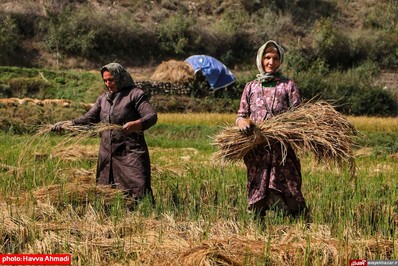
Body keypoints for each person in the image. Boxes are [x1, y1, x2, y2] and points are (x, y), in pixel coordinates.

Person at [53, 63, 158, 203]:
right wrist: (68, 124)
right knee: (107, 195)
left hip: (130, 153)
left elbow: (151, 116)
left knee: (138, 192)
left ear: (120, 77)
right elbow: (89, 118)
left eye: (111, 80)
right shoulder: (103, 99)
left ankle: (143, 216)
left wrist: (136, 124)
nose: (108, 83)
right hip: (108, 154)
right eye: (105, 80)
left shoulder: (135, 94)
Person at [236, 40, 307, 218]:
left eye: (275, 58)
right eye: (267, 57)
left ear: (280, 61)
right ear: (260, 59)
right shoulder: (251, 87)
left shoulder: (288, 86)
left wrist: (284, 131)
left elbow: (299, 115)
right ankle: (257, 229)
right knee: (257, 185)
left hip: (282, 149)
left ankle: (297, 223)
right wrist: (242, 124)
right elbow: (241, 114)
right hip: (257, 148)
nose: (271, 62)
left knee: (289, 186)